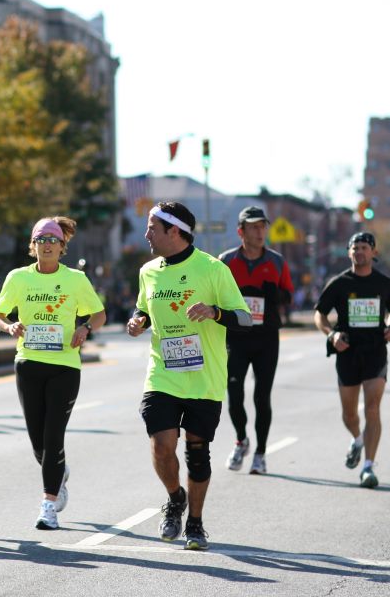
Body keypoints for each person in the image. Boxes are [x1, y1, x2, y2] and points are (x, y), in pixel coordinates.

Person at [126, 202, 251, 551]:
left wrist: (214, 311)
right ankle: (174, 496)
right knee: (162, 444)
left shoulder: (213, 269)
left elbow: (245, 318)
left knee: (198, 453)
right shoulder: (148, 271)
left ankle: (195, 522)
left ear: (174, 231)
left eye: (153, 227)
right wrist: (138, 320)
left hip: (203, 377)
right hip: (163, 373)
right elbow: (143, 308)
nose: (146, 233)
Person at [0, 216, 106, 530]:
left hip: (64, 366)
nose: (46, 245)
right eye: (40, 240)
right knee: (37, 442)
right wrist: (9, 325)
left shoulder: (75, 280)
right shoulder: (18, 278)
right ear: (33, 246)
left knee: (54, 436)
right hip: (28, 363)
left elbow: (99, 314)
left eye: (52, 240)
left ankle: (48, 505)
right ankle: (58, 472)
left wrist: (84, 329)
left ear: (62, 246)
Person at [314, 232, 390, 489]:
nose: (359, 252)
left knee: (372, 408)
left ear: (374, 253)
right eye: (355, 248)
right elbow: (319, 314)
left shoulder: (384, 283)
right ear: (349, 253)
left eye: (364, 247)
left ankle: (368, 467)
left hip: (375, 351)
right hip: (347, 351)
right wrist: (331, 334)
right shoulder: (339, 283)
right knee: (349, 414)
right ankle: (357, 439)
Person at [218, 207, 294, 474]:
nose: (260, 232)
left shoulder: (276, 262)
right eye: (254, 227)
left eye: (263, 227)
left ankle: (260, 453)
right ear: (241, 231)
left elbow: (289, 295)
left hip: (266, 338)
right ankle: (242, 440)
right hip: (236, 338)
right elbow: (216, 297)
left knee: (262, 397)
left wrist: (275, 296)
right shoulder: (225, 262)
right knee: (234, 394)